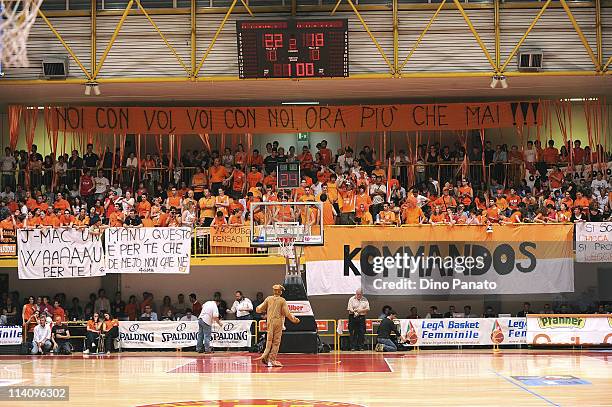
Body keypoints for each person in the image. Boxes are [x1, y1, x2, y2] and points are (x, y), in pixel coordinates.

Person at [255, 284, 300, 367]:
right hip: (278, 322)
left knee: (269, 341)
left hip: (269, 322)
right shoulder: (282, 300)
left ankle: (266, 357)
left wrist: (265, 310)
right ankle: (272, 359)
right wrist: (294, 319)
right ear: (280, 291)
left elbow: (258, 309)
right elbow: (287, 313)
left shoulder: (268, 299)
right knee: (276, 342)